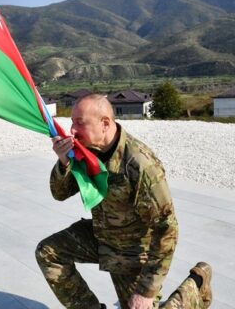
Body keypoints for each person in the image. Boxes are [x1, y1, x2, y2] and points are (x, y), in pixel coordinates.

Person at [36, 94, 208, 309]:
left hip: (133, 252)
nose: (71, 130)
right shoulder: (85, 149)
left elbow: (166, 228)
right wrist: (63, 161)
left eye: (79, 123)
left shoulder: (140, 163)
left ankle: (196, 284)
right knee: (48, 252)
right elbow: (60, 193)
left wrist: (146, 292)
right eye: (72, 122)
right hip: (102, 235)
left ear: (105, 123)